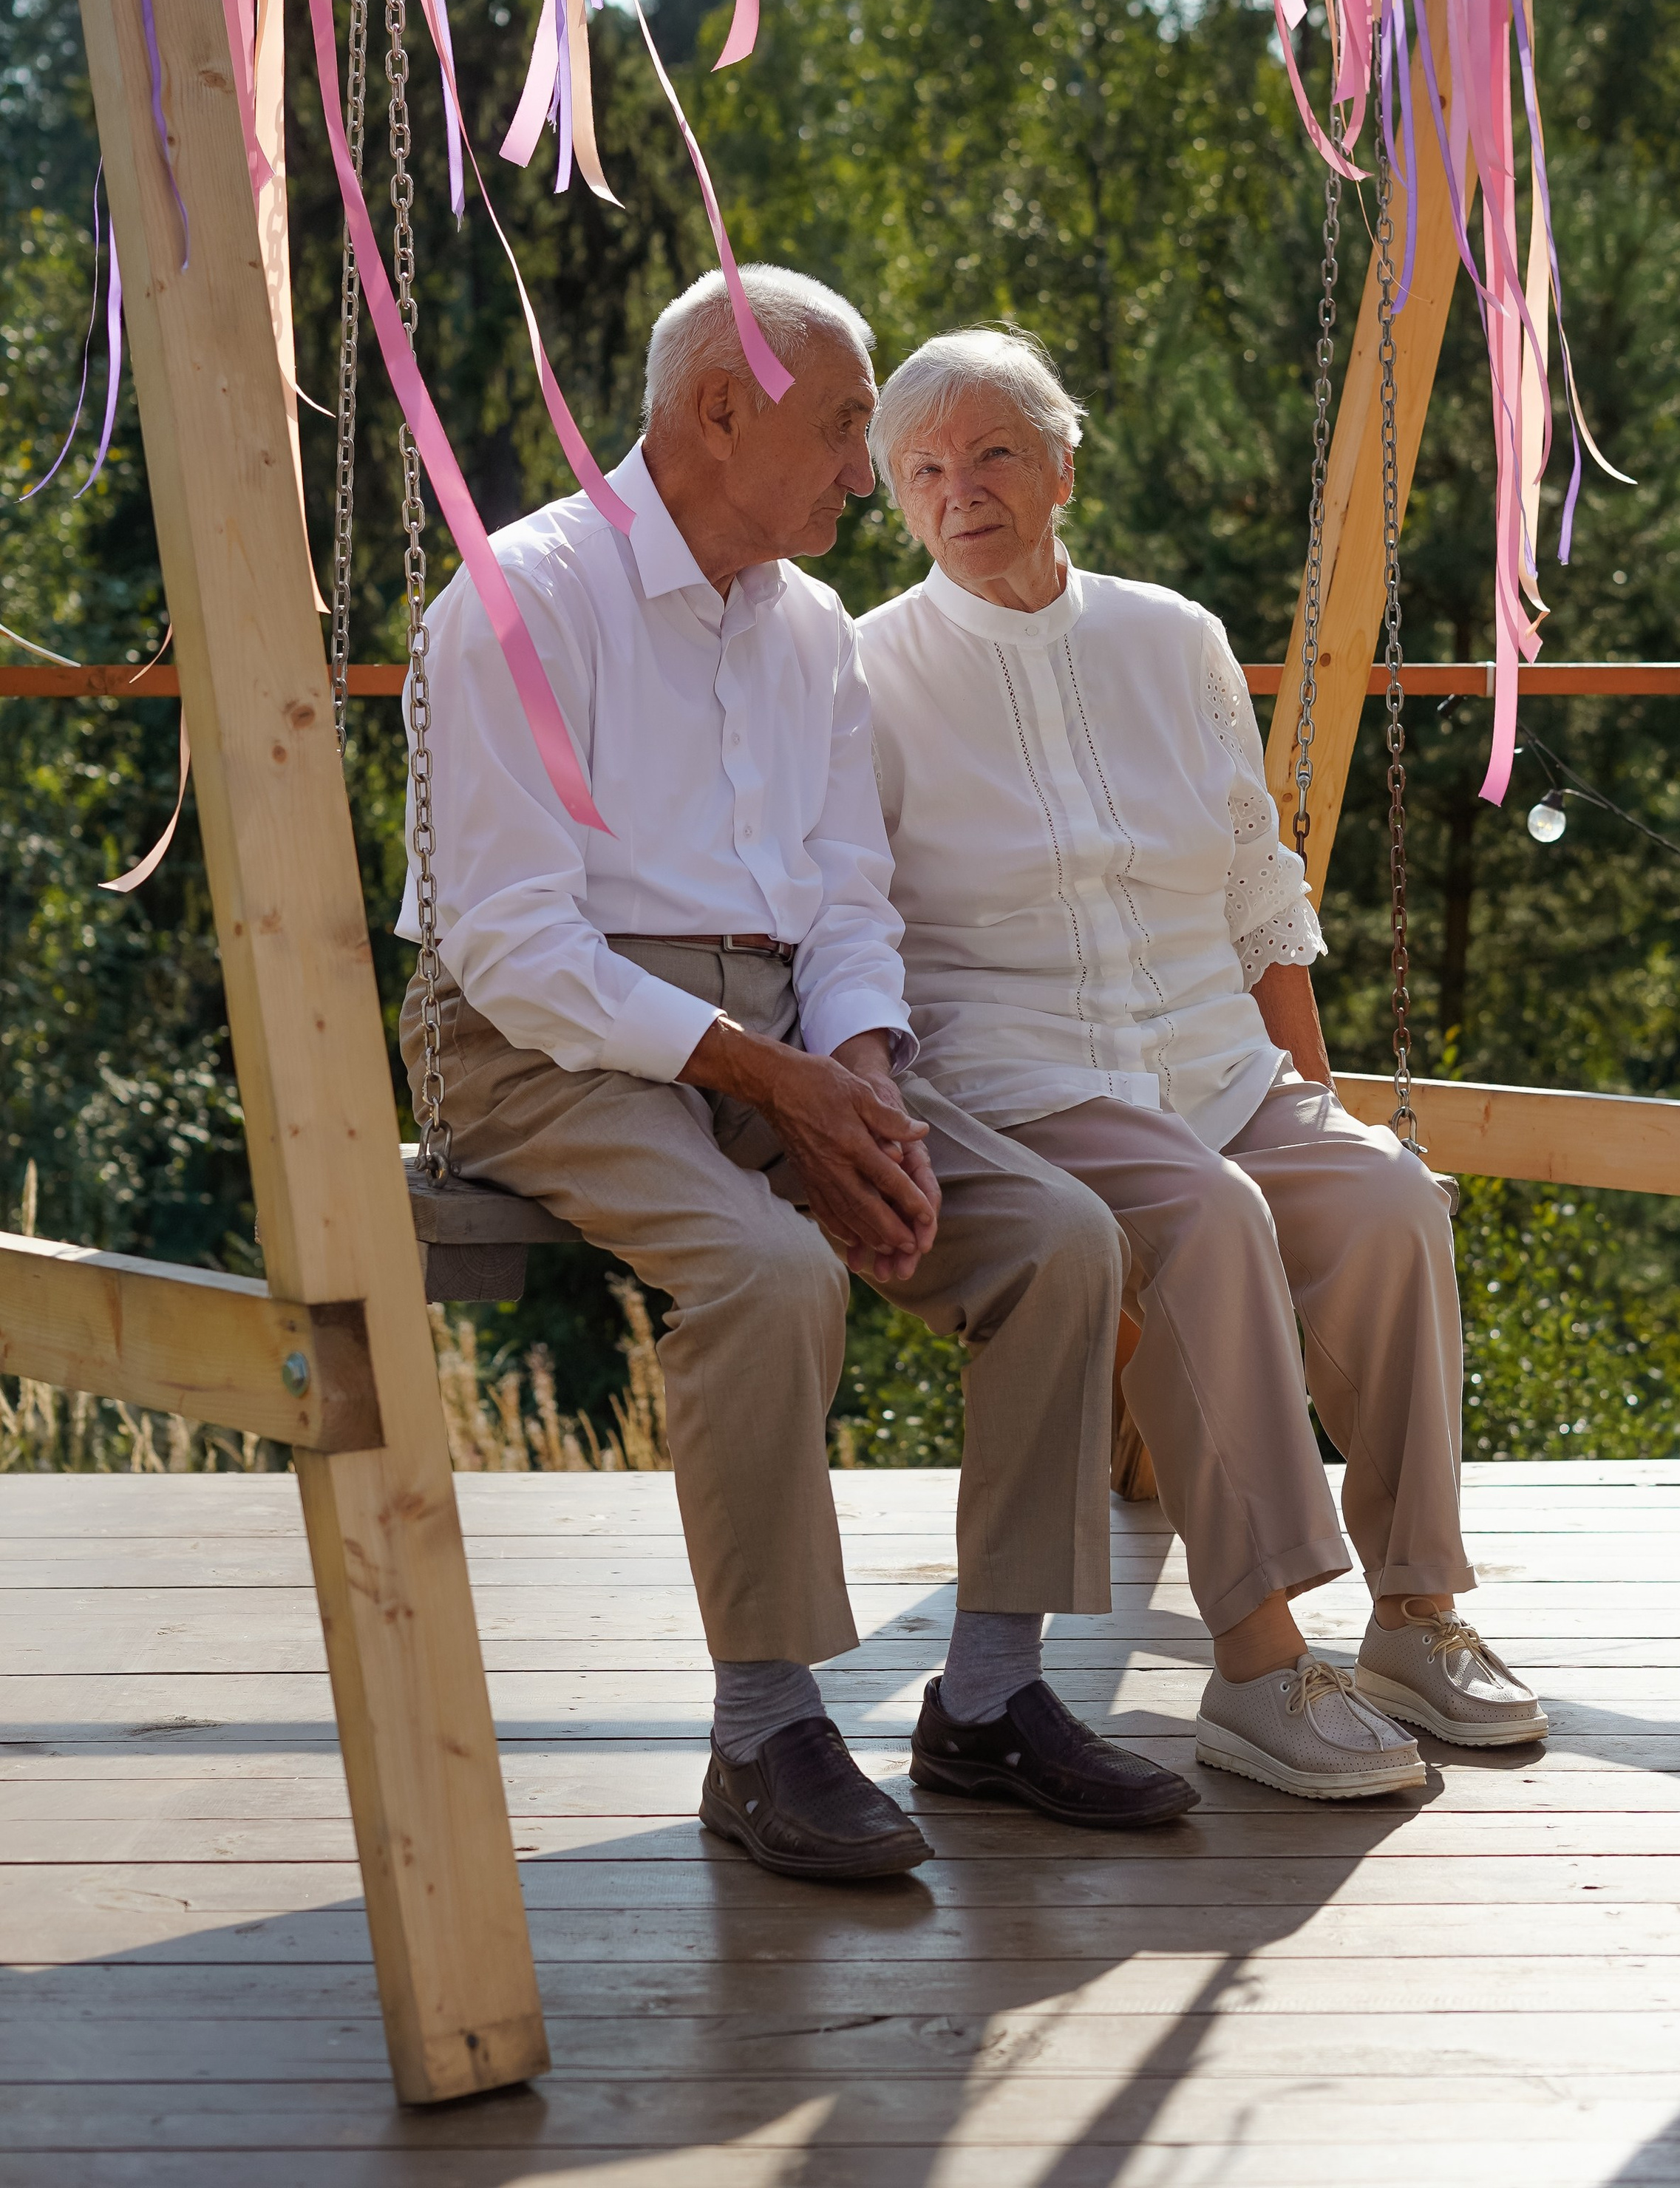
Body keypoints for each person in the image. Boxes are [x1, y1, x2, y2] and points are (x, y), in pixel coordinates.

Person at [396, 269, 1199, 1884]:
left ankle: (985, 1700)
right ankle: (762, 1730)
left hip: (783, 1040)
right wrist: (770, 1085)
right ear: (715, 411)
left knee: (1058, 1238)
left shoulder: (810, 626)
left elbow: (845, 899)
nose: (863, 470)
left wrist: (860, 1078)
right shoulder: (517, 599)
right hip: (542, 1041)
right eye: (843, 428)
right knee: (768, 1275)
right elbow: (511, 944)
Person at [855, 327, 1547, 1802]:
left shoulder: (1170, 638)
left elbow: (1254, 890)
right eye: (920, 470)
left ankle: (1415, 1614)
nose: (957, 488)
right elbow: (847, 924)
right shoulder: (868, 675)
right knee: (1204, 1218)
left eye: (988, 451)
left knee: (1386, 1203)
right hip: (1026, 1074)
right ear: (897, 503)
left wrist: (1312, 1104)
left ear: (1058, 461)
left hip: (1213, 1058)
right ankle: (1254, 1664)